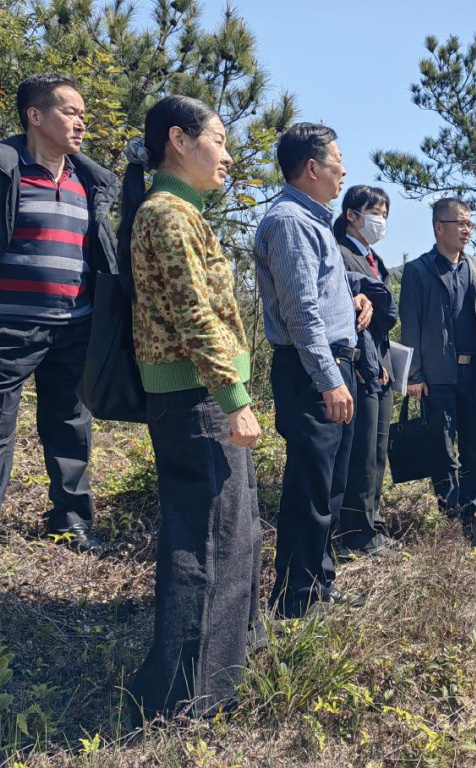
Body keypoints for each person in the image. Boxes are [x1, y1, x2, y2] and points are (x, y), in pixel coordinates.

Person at [121, 95, 263, 720]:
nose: (228, 156)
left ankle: (221, 677)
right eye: (221, 140)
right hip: (198, 396)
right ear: (179, 140)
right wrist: (233, 397)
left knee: (233, 535)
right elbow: (193, 315)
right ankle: (185, 702)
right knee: (208, 544)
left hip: (200, 393)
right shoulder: (169, 215)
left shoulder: (182, 212)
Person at [254, 123, 373, 618]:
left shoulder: (314, 222)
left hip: (330, 364)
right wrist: (330, 380)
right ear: (312, 167)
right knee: (310, 486)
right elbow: (301, 313)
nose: (343, 170)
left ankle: (319, 579)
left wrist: (354, 299)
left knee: (330, 485)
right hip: (312, 371)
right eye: (337, 160)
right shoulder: (290, 222)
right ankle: (295, 599)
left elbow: (320, 295)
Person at [0, 74, 120, 551]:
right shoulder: (7, 170)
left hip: (74, 325)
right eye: (71, 112)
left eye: (84, 116)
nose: (81, 124)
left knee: (70, 425)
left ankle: (70, 521)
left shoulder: (88, 181)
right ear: (35, 115)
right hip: (9, 326)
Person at [399, 198, 476, 538]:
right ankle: (450, 508)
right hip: (437, 375)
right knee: (442, 445)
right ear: (438, 226)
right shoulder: (418, 270)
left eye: (469, 224)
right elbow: (410, 324)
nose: (466, 230)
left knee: (475, 444)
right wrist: (414, 375)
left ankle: (472, 506)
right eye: (459, 223)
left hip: (474, 373)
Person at [332, 185, 397, 555]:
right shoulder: (340, 255)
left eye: (385, 214)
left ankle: (372, 521)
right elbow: (350, 318)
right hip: (359, 366)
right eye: (375, 212)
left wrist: (386, 364)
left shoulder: (374, 259)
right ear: (352, 215)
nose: (381, 221)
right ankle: (355, 532)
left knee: (379, 449)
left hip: (379, 366)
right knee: (361, 451)